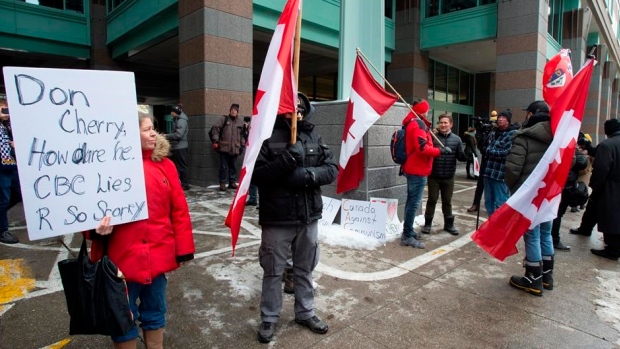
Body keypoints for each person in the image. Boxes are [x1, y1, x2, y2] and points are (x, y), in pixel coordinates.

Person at [90, 113, 195, 348]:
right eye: (147, 129)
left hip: (158, 257)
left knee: (156, 312)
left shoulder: (166, 165)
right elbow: (88, 212)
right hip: (121, 262)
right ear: (128, 134)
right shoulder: (108, 167)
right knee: (123, 317)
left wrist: (184, 249)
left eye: (153, 129)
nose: (154, 134)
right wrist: (96, 231)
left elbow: (179, 210)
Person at [252, 93, 337, 343]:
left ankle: (305, 312)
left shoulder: (314, 135)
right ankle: (269, 317)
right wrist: (286, 162)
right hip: (277, 217)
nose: (296, 112)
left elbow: (331, 169)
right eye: (291, 107)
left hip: (308, 215)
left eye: (300, 108)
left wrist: (306, 175)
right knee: (273, 271)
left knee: (304, 268)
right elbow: (256, 176)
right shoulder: (266, 136)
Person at [505, 101, 553, 296]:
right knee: (546, 233)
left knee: (532, 235)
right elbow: (573, 161)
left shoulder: (524, 136)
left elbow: (512, 168)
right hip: (550, 195)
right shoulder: (559, 135)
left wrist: (515, 189)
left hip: (530, 195)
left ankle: (533, 278)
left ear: (530, 114)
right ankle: (547, 277)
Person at [400, 99, 444, 248]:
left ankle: (408, 231)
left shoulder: (412, 122)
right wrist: (440, 151)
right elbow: (422, 149)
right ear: (422, 110)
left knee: (410, 202)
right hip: (417, 170)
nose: (428, 112)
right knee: (413, 203)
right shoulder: (418, 124)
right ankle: (407, 235)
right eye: (426, 109)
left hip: (413, 168)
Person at [421, 114, 466, 236]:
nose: (443, 125)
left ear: (451, 124)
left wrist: (469, 153)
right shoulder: (432, 137)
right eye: (441, 122)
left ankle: (449, 224)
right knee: (432, 200)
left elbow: (461, 156)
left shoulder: (457, 139)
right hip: (434, 175)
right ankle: (427, 224)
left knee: (447, 201)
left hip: (449, 176)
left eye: (446, 122)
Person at [587, 119, 620, 261]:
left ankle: (613, 249)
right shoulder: (610, 145)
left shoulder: (607, 145)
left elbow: (600, 169)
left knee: (610, 217)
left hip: (611, 186)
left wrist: (594, 186)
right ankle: (585, 228)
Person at [550, 147, 588, 251]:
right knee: (556, 214)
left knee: (555, 214)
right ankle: (554, 240)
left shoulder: (571, 149)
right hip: (561, 185)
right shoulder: (562, 146)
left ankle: (551, 239)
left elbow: (583, 162)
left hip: (563, 185)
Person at [482, 110, 518, 216]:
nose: (500, 119)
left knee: (501, 203)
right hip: (488, 172)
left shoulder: (512, 134)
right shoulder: (493, 132)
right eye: (499, 117)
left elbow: (506, 153)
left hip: (500, 174)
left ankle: (501, 228)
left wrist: (488, 150)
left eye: (504, 118)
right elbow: (484, 146)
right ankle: (491, 225)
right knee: (488, 202)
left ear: (508, 121)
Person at [210, 104, 246, 191]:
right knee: (223, 166)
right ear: (230, 111)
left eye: (235, 110)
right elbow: (215, 129)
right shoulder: (224, 119)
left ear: (237, 112)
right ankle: (222, 183)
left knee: (233, 166)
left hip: (235, 148)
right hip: (224, 148)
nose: (233, 111)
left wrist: (242, 145)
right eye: (232, 109)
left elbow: (242, 135)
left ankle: (232, 182)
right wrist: (215, 140)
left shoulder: (240, 122)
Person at [0, 99, 21, 244]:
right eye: (3, 110)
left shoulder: (7, 126)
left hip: (11, 165)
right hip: (2, 168)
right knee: (3, 200)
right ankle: (2, 231)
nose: (6, 113)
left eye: (7, 110)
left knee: (18, 193)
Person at [467, 110, 497, 213]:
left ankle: (496, 206)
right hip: (485, 161)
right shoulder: (484, 132)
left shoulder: (499, 133)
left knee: (495, 186)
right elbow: (480, 145)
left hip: (495, 164)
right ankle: (476, 204)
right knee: (480, 185)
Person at [165, 104, 190, 190]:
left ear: (176, 112)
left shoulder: (181, 120)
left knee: (181, 166)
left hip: (180, 147)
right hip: (177, 146)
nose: (171, 113)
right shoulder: (177, 119)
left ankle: (184, 184)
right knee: (177, 166)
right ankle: (180, 183)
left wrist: (166, 136)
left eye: (172, 112)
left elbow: (178, 135)